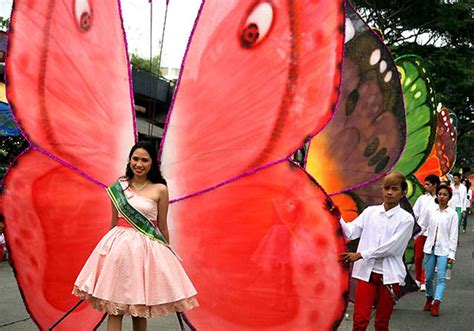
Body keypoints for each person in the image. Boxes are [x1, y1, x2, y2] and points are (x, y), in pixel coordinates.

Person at [73, 141, 198, 331]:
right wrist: (107, 252)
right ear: (130, 160)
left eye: (144, 160)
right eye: (135, 159)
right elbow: (113, 223)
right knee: (115, 309)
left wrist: (168, 255)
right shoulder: (119, 187)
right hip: (119, 249)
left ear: (152, 164)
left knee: (139, 309)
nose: (139, 164)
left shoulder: (160, 189)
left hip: (145, 252)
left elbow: (162, 226)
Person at [339, 172, 414, 331]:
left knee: (381, 322)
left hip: (390, 276)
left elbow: (391, 247)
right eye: (386, 188)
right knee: (360, 320)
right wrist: (336, 214)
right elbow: (351, 232)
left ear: (403, 193)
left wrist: (361, 254)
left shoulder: (406, 219)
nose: (389, 192)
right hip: (367, 273)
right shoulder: (370, 212)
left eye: (394, 189)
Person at [422, 184, 458, 317]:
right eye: (440, 194)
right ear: (437, 195)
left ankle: (436, 302)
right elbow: (422, 225)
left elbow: (454, 235)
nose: (442, 197)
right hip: (429, 248)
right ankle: (429, 297)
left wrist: (452, 254)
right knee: (429, 278)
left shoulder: (453, 214)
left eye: (445, 195)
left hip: (444, 250)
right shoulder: (431, 210)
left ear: (449, 197)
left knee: (441, 278)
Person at [412, 174, 440, 291]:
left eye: (428, 184)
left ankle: (424, 280)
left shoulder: (440, 199)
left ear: (435, 185)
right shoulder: (422, 199)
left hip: (434, 234)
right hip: (420, 232)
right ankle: (418, 279)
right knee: (418, 258)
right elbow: (415, 214)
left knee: (429, 258)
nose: (425, 186)